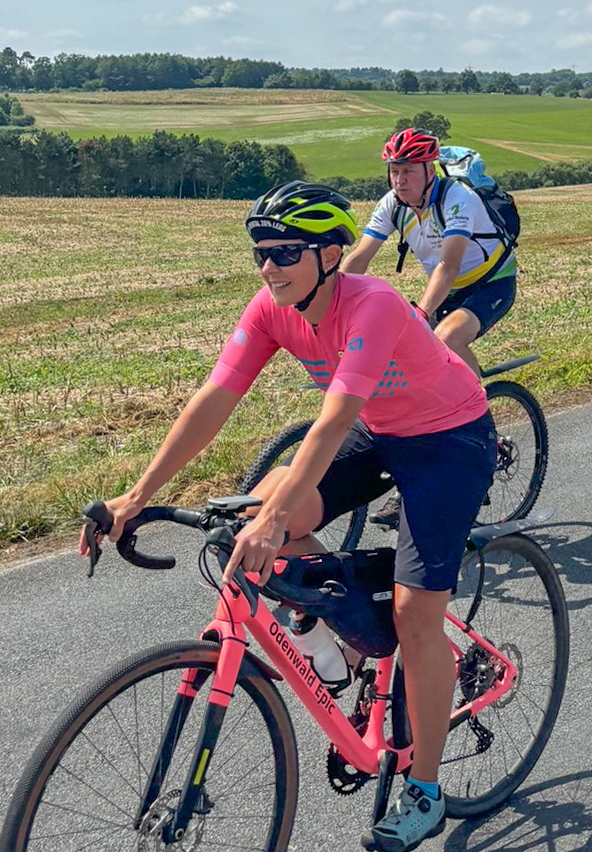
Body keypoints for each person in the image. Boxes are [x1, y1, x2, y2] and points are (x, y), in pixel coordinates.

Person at [86, 181, 498, 852]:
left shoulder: (375, 304)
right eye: (260, 254)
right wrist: (135, 495)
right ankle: (338, 647)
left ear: (332, 254)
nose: (269, 267)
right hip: (381, 430)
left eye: (285, 252)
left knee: (415, 613)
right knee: (254, 515)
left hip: (450, 439)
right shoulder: (272, 308)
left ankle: (423, 790)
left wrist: (277, 518)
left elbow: (332, 419)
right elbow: (216, 396)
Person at [342, 128, 518, 376]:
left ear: (429, 170)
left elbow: (448, 265)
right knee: (402, 351)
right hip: (450, 292)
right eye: (394, 171)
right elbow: (359, 258)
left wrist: (421, 314)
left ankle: (477, 409)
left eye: (408, 171)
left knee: (447, 338)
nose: (400, 180)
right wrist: (331, 299)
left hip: (492, 283)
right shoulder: (392, 204)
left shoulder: (457, 197)